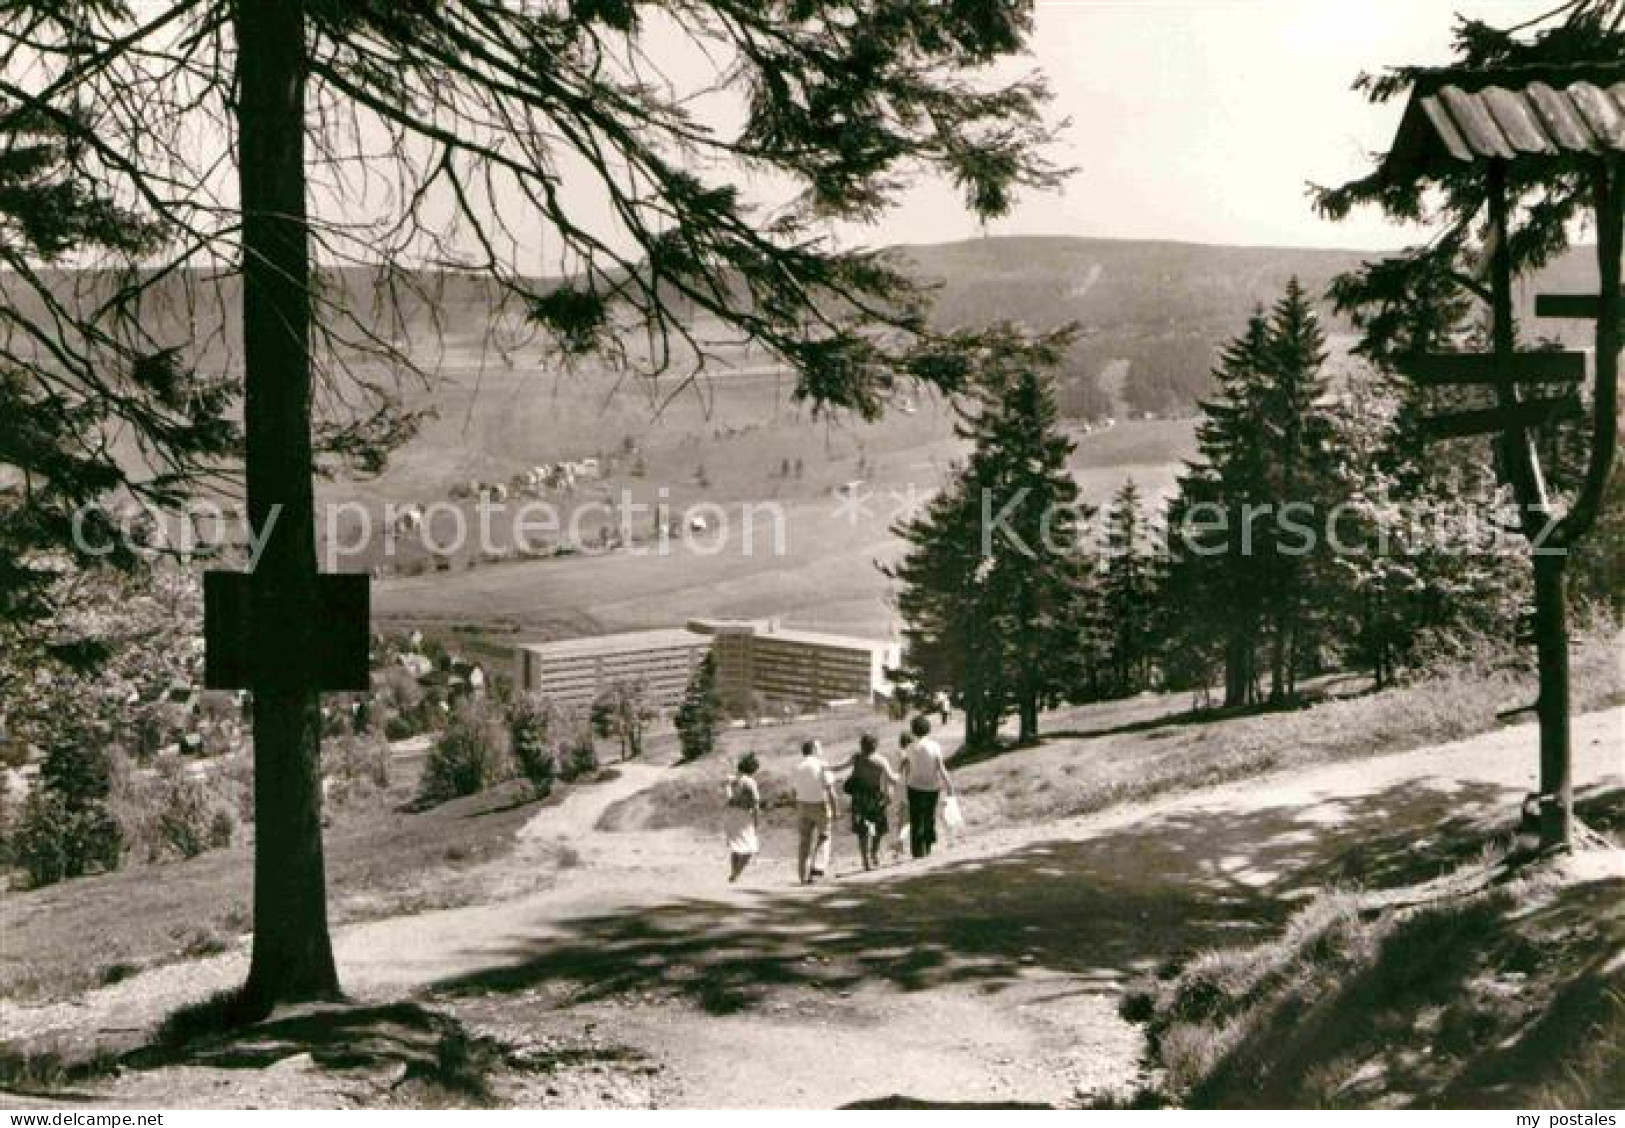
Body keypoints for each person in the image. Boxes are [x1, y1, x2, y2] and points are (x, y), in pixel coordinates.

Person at [844, 732, 899, 870]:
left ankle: (865, 860)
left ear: (861, 745)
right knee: (877, 828)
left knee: (862, 831)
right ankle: (874, 852)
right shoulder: (881, 760)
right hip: (875, 797)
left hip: (859, 797)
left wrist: (825, 768)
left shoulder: (856, 758)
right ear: (876, 745)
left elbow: (840, 767)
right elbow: (892, 778)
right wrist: (903, 775)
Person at [902, 715, 954, 859]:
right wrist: (949, 784)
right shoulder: (934, 746)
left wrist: (904, 785)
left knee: (916, 818)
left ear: (913, 730)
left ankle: (918, 850)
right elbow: (941, 768)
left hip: (914, 786)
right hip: (932, 786)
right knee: (929, 816)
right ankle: (929, 843)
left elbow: (907, 770)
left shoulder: (909, 748)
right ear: (928, 729)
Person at [791, 739, 840, 884]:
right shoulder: (821, 765)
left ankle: (802, 874)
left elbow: (794, 791)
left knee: (804, 842)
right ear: (813, 749)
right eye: (819, 747)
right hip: (819, 805)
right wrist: (836, 810)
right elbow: (831, 791)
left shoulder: (797, 766)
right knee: (824, 836)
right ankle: (817, 868)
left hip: (802, 805)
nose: (821, 750)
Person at [724, 753, 762, 883]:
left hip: (732, 813)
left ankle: (734, 874)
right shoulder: (750, 781)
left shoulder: (733, 780)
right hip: (744, 815)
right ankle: (736, 874)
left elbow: (729, 799)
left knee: (736, 847)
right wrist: (757, 821)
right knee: (749, 848)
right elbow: (756, 803)